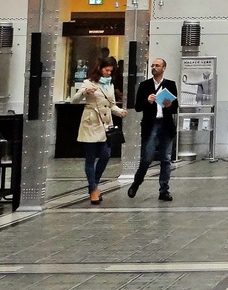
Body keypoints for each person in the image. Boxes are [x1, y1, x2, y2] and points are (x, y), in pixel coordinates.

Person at [69, 58, 126, 204]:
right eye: (106, 70)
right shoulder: (88, 82)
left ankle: (93, 185)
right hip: (91, 123)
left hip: (106, 125)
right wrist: (85, 92)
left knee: (106, 155)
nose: (108, 73)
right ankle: (94, 189)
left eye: (111, 71)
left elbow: (111, 105)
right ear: (100, 68)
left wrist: (120, 112)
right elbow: (74, 100)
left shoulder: (110, 85)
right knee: (90, 158)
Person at [128, 58, 178, 201]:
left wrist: (169, 105)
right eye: (153, 65)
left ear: (164, 68)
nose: (154, 67)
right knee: (147, 157)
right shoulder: (145, 85)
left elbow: (175, 107)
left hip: (166, 125)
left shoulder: (170, 85)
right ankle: (137, 182)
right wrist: (148, 101)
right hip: (151, 125)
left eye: (157, 65)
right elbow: (137, 106)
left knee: (166, 159)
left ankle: (164, 190)